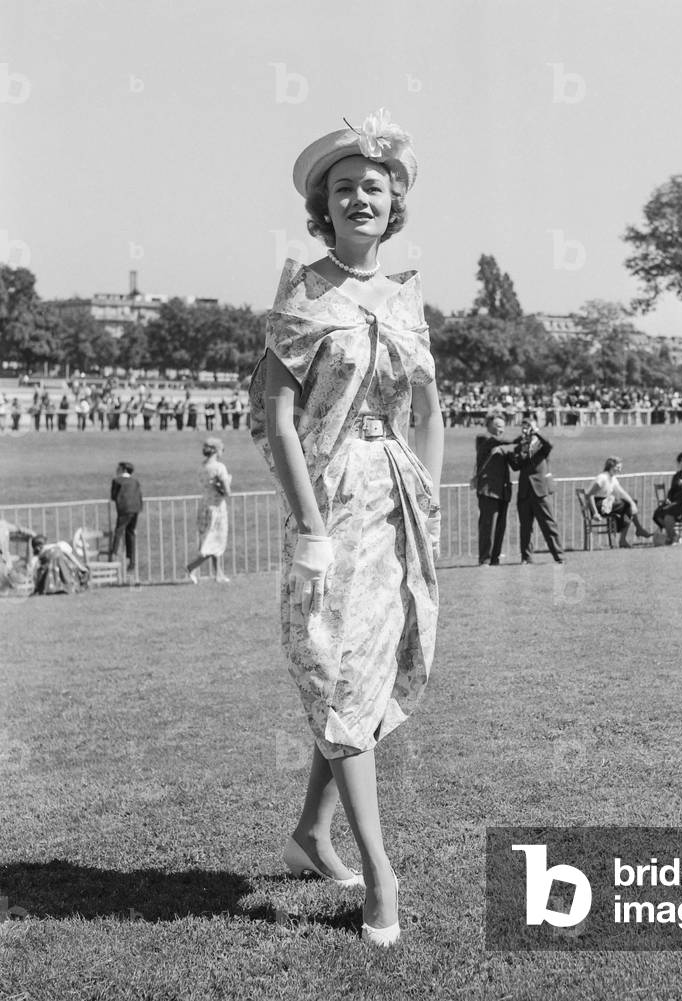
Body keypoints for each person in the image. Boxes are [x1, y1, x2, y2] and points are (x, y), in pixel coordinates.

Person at [248, 108, 441, 948]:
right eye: (343, 187)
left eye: (374, 186)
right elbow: (275, 416)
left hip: (393, 502)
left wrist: (427, 490)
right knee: (334, 673)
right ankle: (381, 873)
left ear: (394, 201)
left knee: (360, 676)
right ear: (322, 206)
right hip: (331, 504)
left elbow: (429, 405)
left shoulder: (405, 294)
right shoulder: (303, 288)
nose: (360, 197)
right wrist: (311, 525)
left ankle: (307, 838)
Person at [508, 417, 564, 564]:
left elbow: (549, 444)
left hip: (540, 491)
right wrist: (516, 450)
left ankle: (559, 556)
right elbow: (516, 465)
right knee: (525, 528)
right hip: (525, 492)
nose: (526, 429)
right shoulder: (521, 445)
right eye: (524, 426)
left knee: (548, 525)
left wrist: (536, 432)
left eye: (529, 426)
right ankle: (526, 558)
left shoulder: (541, 444)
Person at [185, 438, 232, 583]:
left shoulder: (202, 467)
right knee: (214, 542)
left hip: (204, 506)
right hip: (217, 507)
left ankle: (218, 574)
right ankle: (192, 566)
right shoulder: (219, 467)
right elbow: (227, 492)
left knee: (212, 539)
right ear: (217, 450)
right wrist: (228, 481)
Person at [472, 412, 514, 566]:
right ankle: (485, 558)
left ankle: (495, 558)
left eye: (502, 427)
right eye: (497, 426)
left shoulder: (502, 446)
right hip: (488, 491)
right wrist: (519, 440)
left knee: (500, 527)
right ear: (488, 426)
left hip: (503, 492)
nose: (500, 430)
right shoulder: (483, 439)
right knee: (487, 526)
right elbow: (495, 441)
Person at [584, 456, 654, 548]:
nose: (620, 470)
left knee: (629, 506)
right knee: (627, 507)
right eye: (618, 467)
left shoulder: (612, 478)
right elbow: (590, 495)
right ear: (611, 466)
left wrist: (633, 504)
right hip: (598, 506)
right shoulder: (603, 477)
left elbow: (622, 492)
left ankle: (631, 532)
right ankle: (633, 532)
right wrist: (595, 513)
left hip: (606, 504)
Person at [0, 504, 35, 596]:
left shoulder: (3, 525)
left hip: (3, 557)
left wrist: (32, 534)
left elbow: (18, 529)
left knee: (13, 571)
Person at [110, 461, 143, 571]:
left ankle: (113, 554)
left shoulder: (117, 481)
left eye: (118, 468)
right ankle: (131, 561)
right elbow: (139, 495)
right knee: (131, 533)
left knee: (119, 531)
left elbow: (113, 496)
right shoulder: (135, 481)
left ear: (123, 469)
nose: (116, 470)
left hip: (124, 510)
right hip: (136, 509)